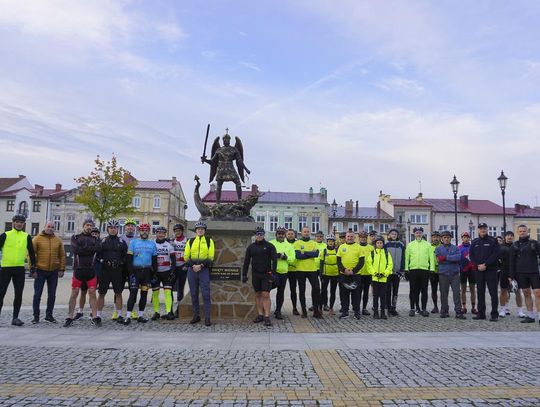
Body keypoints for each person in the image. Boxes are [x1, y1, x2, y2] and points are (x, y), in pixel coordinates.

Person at [0, 214, 37, 326]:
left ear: (24, 224)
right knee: (1, 294)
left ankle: (15, 318)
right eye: (17, 222)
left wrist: (33, 267)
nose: (19, 224)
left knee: (18, 294)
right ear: (13, 223)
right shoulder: (5, 235)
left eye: (21, 222)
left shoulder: (26, 236)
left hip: (19, 269)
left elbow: (31, 253)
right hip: (5, 268)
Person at [64, 219, 101, 327]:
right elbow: (76, 250)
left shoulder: (96, 238)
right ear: (83, 226)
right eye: (87, 225)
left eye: (91, 225)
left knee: (93, 293)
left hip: (91, 270)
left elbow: (98, 248)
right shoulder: (75, 237)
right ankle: (70, 316)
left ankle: (94, 317)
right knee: (74, 292)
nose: (89, 227)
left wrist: (84, 249)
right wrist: (90, 249)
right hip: (78, 270)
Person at [31, 221, 65, 324]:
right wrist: (32, 268)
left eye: (52, 227)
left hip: (53, 272)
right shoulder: (37, 239)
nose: (50, 228)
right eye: (48, 226)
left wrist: (61, 269)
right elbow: (31, 255)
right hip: (40, 271)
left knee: (52, 294)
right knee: (37, 294)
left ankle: (49, 315)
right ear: (44, 227)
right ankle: (36, 316)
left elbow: (62, 255)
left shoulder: (58, 240)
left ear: (54, 228)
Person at [242, 226, 278, 326]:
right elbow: (246, 262)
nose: (259, 236)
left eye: (261, 234)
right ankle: (260, 314)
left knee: (266, 295)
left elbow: (274, 260)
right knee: (258, 295)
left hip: (267, 274)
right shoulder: (251, 247)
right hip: (255, 274)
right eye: (257, 234)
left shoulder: (270, 246)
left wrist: (273, 273)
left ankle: (267, 316)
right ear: (255, 235)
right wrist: (244, 274)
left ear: (263, 235)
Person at [124, 223, 156, 325]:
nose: (144, 232)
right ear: (139, 231)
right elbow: (128, 259)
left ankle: (140, 315)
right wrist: (130, 273)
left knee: (144, 294)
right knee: (133, 293)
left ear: (149, 232)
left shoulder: (152, 244)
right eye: (142, 230)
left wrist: (153, 273)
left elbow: (154, 260)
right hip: (135, 272)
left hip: (146, 273)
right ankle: (128, 316)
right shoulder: (133, 242)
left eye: (146, 230)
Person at [96, 220, 127, 324]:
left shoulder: (122, 242)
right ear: (108, 229)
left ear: (118, 229)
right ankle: (98, 315)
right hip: (105, 271)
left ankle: (119, 314)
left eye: (115, 228)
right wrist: (104, 261)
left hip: (117, 271)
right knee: (101, 293)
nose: (113, 229)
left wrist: (120, 262)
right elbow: (98, 256)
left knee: (118, 293)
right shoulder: (103, 241)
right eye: (111, 227)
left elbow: (125, 256)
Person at [185, 221, 215, 326]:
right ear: (196, 231)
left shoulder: (209, 241)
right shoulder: (191, 241)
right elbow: (186, 256)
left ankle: (207, 318)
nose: (200, 230)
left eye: (202, 229)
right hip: (192, 270)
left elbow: (211, 257)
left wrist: (201, 265)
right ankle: (196, 316)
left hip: (204, 269)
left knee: (206, 294)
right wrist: (193, 265)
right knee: (194, 294)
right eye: (198, 229)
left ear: (204, 231)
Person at [469, 223, 500, 321]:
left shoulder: (493, 241)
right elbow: (471, 255)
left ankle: (494, 314)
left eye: (484, 228)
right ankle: (481, 313)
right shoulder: (474, 242)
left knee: (493, 293)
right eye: (480, 228)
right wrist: (477, 265)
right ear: (478, 230)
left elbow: (496, 254)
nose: (482, 230)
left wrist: (485, 264)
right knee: (480, 292)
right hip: (479, 270)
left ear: (487, 229)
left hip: (490, 270)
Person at [509, 224, 540, 323]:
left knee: (538, 293)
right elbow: (511, 261)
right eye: (520, 231)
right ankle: (530, 316)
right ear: (518, 232)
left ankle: (539, 316)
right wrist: (511, 276)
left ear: (527, 232)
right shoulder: (515, 245)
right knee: (526, 293)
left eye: (524, 231)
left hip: (534, 272)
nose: (522, 233)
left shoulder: (534, 243)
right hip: (521, 273)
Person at [404, 227, 435, 317]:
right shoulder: (410, 245)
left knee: (424, 291)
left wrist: (432, 270)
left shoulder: (428, 245)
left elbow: (431, 258)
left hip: (424, 270)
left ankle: (424, 309)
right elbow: (407, 259)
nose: (418, 234)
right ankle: (412, 308)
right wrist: (406, 270)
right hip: (413, 270)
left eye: (420, 233)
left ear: (422, 234)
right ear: (414, 234)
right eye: (417, 233)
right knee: (413, 290)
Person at [435, 231, 466, 319]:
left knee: (456, 293)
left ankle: (458, 311)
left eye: (448, 237)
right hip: (443, 273)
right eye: (445, 237)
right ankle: (444, 310)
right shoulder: (438, 248)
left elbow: (458, 257)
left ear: (450, 238)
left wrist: (445, 257)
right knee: (443, 293)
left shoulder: (455, 248)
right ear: (442, 239)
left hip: (454, 274)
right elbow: (438, 260)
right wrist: (451, 258)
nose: (446, 239)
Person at [293, 227, 322, 318]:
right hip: (300, 270)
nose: (306, 233)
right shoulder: (297, 243)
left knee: (316, 289)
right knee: (302, 290)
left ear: (310, 233)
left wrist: (304, 253)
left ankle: (316, 310)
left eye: (308, 232)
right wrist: (310, 253)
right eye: (304, 232)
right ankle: (304, 310)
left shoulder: (313, 243)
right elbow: (298, 256)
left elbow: (316, 254)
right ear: (301, 233)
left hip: (312, 270)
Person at [337, 231, 365, 319]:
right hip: (343, 275)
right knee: (344, 294)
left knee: (356, 294)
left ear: (354, 237)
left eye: (351, 236)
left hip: (355, 275)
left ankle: (356, 312)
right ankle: (345, 312)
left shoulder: (359, 247)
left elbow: (361, 262)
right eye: (348, 236)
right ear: (345, 237)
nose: (349, 238)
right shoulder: (341, 247)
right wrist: (344, 270)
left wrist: (353, 271)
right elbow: (338, 261)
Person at [269, 226, 295, 320]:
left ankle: (278, 310)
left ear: (285, 235)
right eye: (279, 233)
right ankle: (266, 309)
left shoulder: (288, 245)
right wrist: (275, 256)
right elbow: (266, 256)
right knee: (266, 290)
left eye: (282, 234)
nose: (281, 235)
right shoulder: (271, 243)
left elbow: (293, 259)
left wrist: (285, 257)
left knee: (280, 292)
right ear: (276, 234)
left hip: (283, 272)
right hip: (272, 271)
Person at [151, 226, 176, 320]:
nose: (161, 235)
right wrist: (152, 271)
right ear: (156, 233)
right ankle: (156, 312)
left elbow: (173, 260)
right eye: (159, 233)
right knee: (155, 293)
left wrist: (172, 271)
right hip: (155, 272)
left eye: (163, 233)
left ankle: (169, 312)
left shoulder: (169, 245)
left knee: (168, 293)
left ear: (165, 234)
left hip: (166, 272)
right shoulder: (152, 244)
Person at [498, 231, 526, 318]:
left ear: (513, 237)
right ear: (505, 237)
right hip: (504, 271)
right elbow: (496, 259)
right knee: (503, 291)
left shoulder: (516, 246)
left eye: (511, 236)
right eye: (508, 236)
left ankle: (520, 311)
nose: (509, 237)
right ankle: (503, 309)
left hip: (516, 272)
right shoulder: (500, 247)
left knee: (518, 291)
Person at [367, 235, 393, 320]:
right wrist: (374, 273)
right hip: (375, 278)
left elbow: (390, 265)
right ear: (375, 244)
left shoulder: (386, 253)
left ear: (383, 244)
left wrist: (384, 273)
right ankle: (375, 313)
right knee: (375, 296)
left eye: (381, 243)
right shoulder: (372, 253)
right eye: (378, 243)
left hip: (384, 278)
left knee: (383, 296)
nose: (379, 244)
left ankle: (382, 312)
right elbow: (369, 265)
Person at [119, 218, 137, 320]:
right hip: (122, 267)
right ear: (125, 227)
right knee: (119, 289)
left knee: (133, 290)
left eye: (132, 226)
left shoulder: (137, 239)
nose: (130, 227)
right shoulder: (120, 238)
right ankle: (117, 311)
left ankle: (132, 310)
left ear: (134, 228)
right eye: (128, 225)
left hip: (133, 268)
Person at [385, 228, 405, 316]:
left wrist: (402, 269)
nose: (394, 235)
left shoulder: (401, 245)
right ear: (389, 235)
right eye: (392, 234)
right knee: (388, 291)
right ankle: (388, 308)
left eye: (395, 234)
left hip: (397, 272)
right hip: (388, 272)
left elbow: (403, 258)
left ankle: (394, 308)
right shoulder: (386, 244)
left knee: (395, 291)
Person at [171, 223, 188, 318]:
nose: (177, 232)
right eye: (176, 231)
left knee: (180, 289)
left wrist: (186, 265)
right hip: (173, 268)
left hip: (183, 268)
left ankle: (179, 309)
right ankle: (170, 309)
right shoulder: (171, 241)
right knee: (169, 288)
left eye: (179, 231)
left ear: (182, 231)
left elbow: (190, 254)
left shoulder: (187, 241)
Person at [458, 231, 478, 314]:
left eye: (467, 237)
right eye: (464, 237)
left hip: (472, 270)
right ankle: (464, 306)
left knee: (473, 289)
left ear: (469, 238)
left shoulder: (473, 247)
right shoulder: (458, 247)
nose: (466, 239)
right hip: (463, 270)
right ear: (462, 238)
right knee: (463, 290)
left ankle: (473, 307)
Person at [319, 234, 339, 315]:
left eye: (332, 241)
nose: (330, 243)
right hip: (325, 274)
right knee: (323, 291)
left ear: (334, 242)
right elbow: (321, 263)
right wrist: (321, 274)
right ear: (326, 242)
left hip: (335, 274)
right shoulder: (323, 251)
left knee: (333, 291)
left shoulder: (337, 251)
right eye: (329, 241)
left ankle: (331, 308)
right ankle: (320, 308)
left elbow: (339, 262)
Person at [357, 231, 374, 315]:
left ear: (366, 238)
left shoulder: (371, 248)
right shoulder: (356, 247)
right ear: (359, 238)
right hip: (359, 273)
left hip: (368, 273)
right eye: (361, 237)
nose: (363, 239)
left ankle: (364, 308)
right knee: (358, 292)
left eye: (364, 238)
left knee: (366, 292)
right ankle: (357, 308)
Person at [285, 229, 299, 315]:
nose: (290, 235)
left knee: (293, 290)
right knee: (280, 290)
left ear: (295, 235)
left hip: (294, 270)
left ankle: (294, 308)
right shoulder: (284, 243)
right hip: (284, 270)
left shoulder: (298, 243)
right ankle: (278, 309)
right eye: (288, 234)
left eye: (292, 234)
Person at [429, 231, 441, 314]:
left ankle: (444, 307)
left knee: (443, 290)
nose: (435, 238)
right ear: (431, 238)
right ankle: (435, 306)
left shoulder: (442, 246)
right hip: (433, 272)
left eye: (437, 237)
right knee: (434, 290)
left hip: (442, 271)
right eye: (434, 237)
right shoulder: (429, 247)